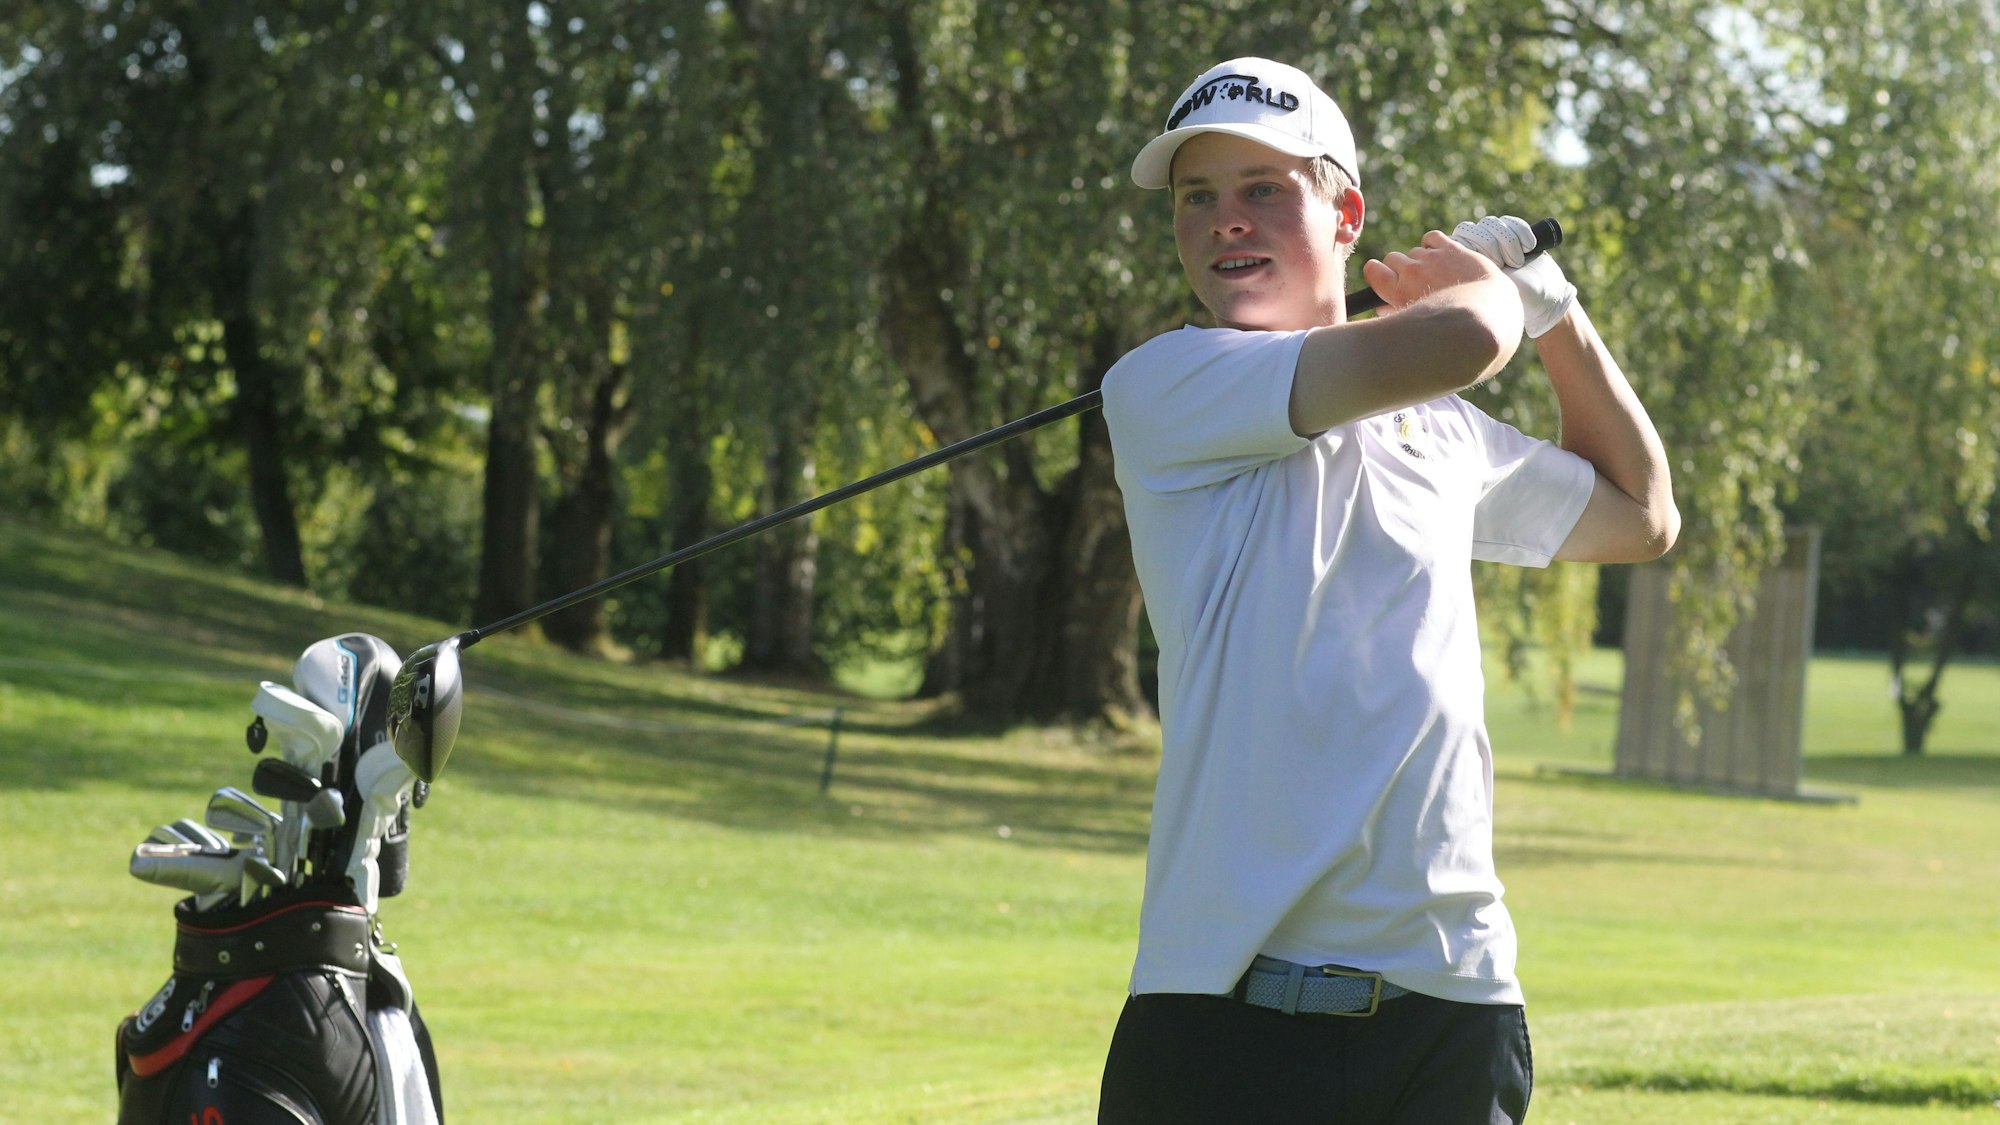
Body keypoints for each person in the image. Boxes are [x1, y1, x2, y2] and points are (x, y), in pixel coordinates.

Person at [1096, 57, 1679, 1124]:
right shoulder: (1162, 386)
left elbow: (1639, 515)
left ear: (1345, 212)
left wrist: (1554, 314)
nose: (1224, 219)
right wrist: (1487, 295)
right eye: (1196, 196)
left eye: (1262, 188)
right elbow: (1457, 339)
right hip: (1217, 1016)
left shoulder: (1440, 433)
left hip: (1448, 1007)